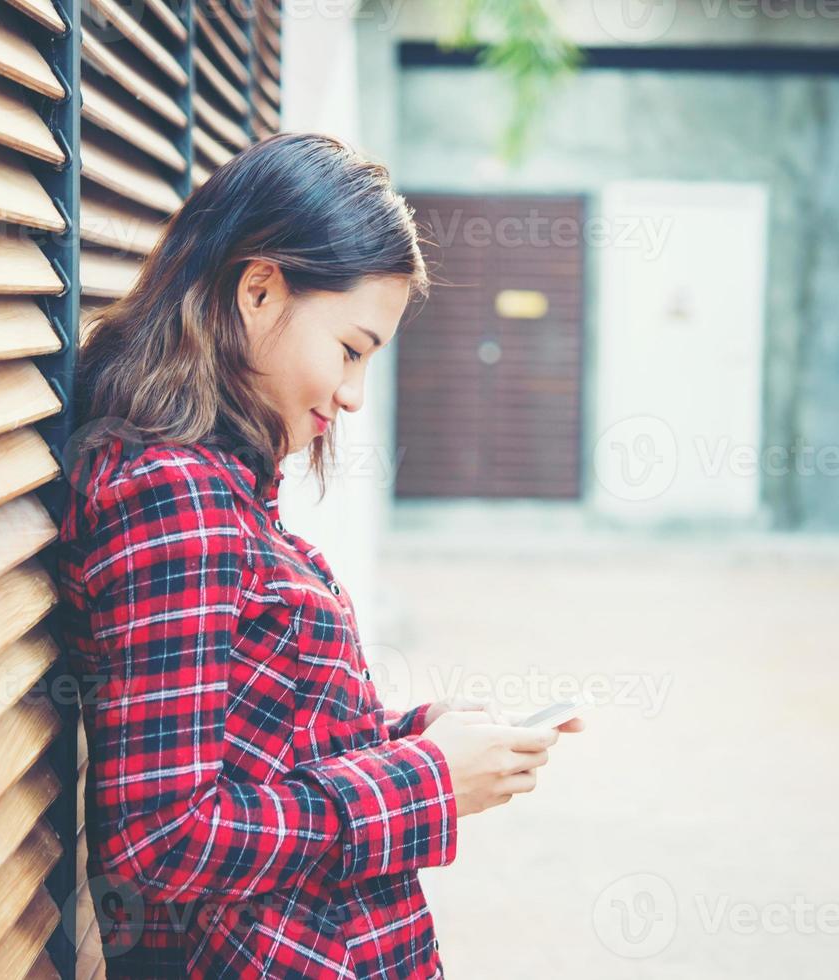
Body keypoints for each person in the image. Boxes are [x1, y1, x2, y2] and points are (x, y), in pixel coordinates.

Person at [57, 132, 584, 979]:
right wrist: (423, 785)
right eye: (350, 350)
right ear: (259, 290)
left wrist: (418, 738)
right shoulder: (172, 498)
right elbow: (162, 839)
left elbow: (258, 750)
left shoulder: (217, 484)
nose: (351, 393)